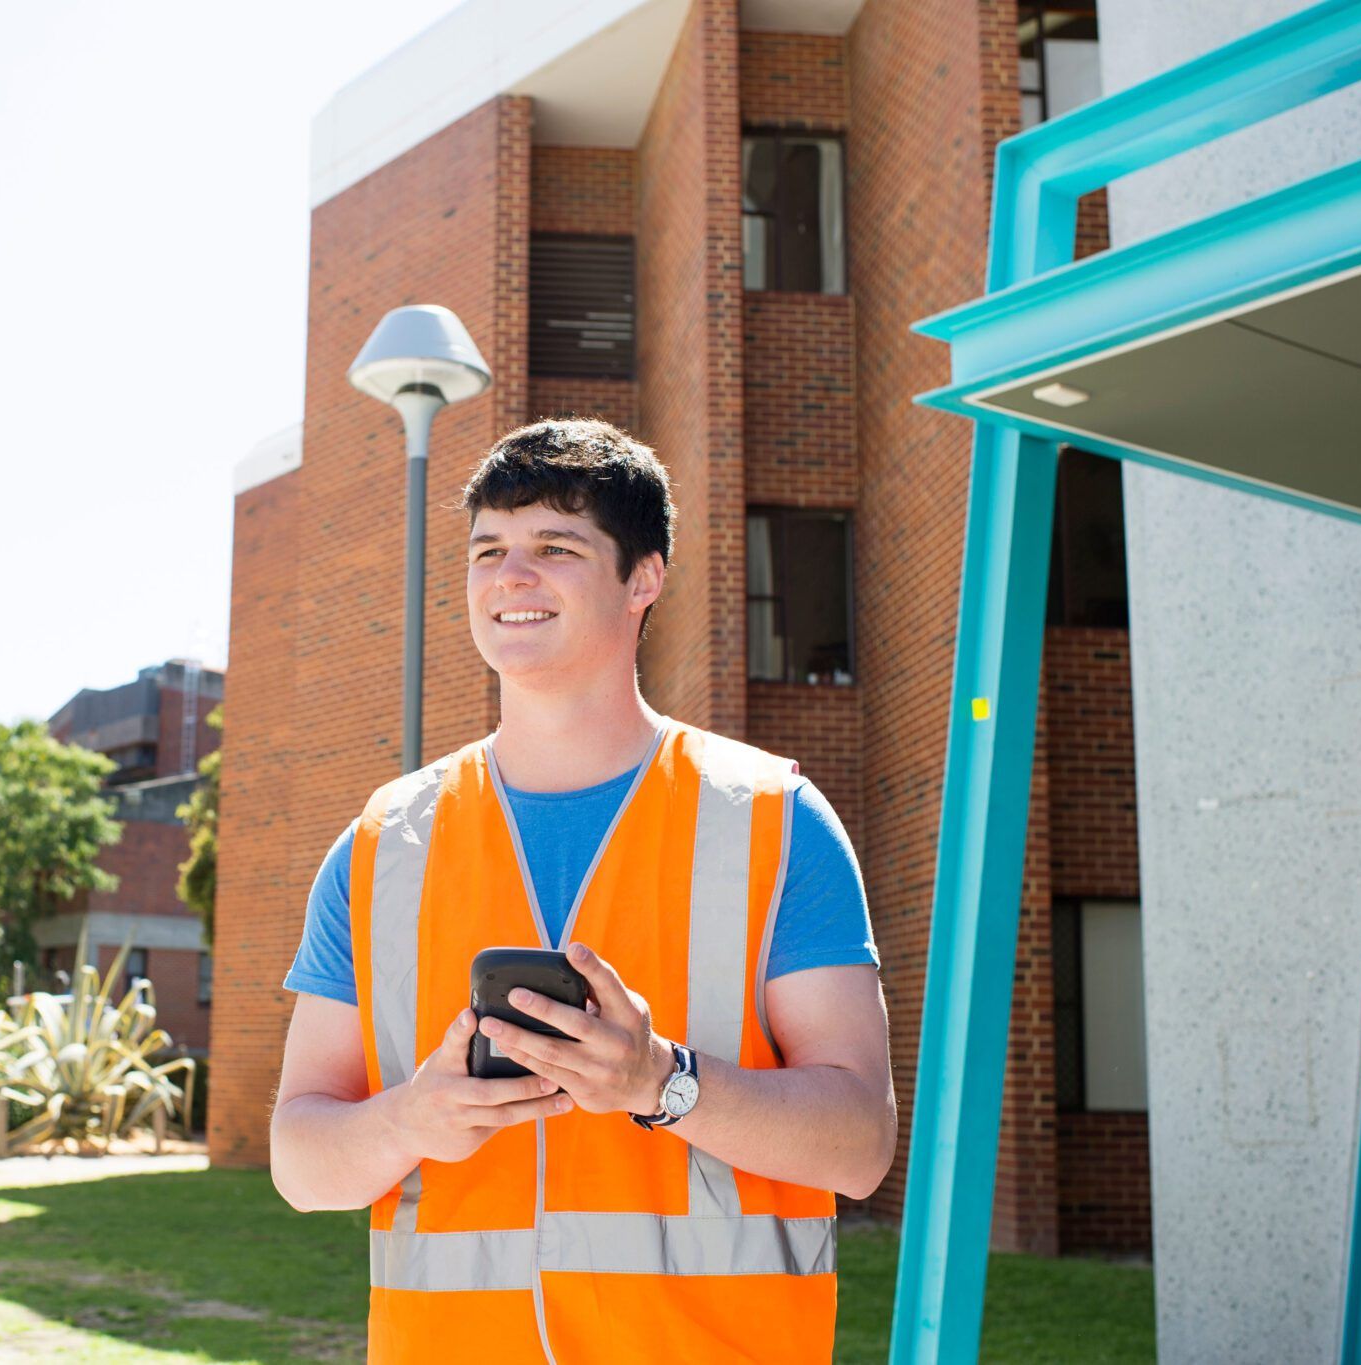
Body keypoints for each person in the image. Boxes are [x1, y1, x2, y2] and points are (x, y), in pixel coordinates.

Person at [270, 419, 896, 1363]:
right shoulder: (381, 842)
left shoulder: (774, 818)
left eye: (555, 547)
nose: (509, 577)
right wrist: (413, 1117)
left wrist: (662, 1082)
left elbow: (858, 1144)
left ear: (643, 577)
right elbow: (299, 1160)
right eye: (489, 551)